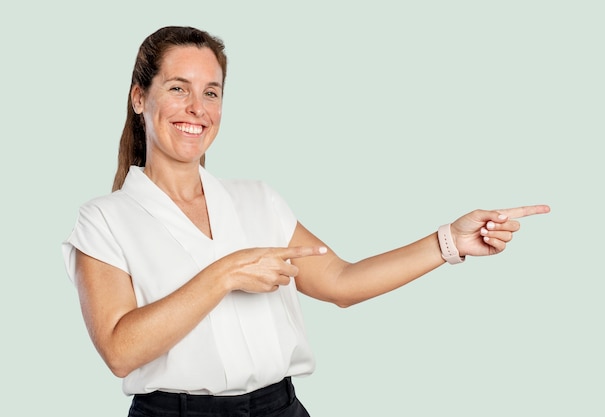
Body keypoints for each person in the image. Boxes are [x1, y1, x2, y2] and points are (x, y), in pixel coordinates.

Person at [62, 26, 550, 417]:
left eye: (211, 92)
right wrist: (224, 273)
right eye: (177, 88)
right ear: (139, 98)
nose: (197, 109)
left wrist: (451, 241)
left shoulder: (258, 200)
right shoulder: (105, 220)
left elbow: (341, 281)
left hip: (280, 407)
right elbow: (120, 350)